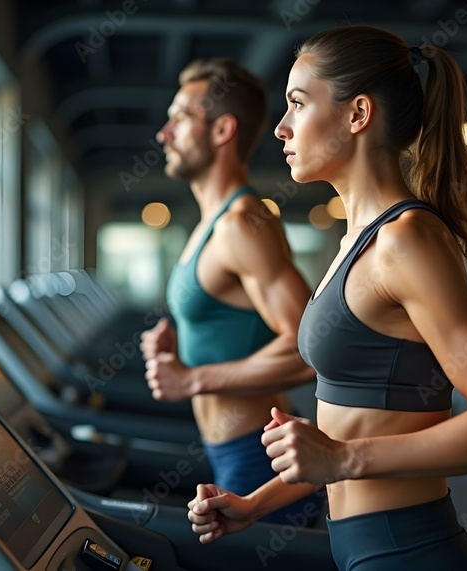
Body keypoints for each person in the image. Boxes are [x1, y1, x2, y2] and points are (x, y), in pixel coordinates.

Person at [186, 27, 467, 570]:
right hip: (362, 549)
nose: (281, 128)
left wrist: (342, 457)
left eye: (299, 104)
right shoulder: (358, 242)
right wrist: (254, 504)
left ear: (357, 114)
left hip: (410, 550)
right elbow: (348, 432)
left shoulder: (405, 241)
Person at [140, 57, 321, 525]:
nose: (165, 133)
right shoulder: (211, 222)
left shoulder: (243, 223)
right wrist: (178, 346)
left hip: (257, 458)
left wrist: (193, 379)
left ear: (222, 131)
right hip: (228, 451)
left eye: (180, 118)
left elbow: (309, 350)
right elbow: (236, 324)